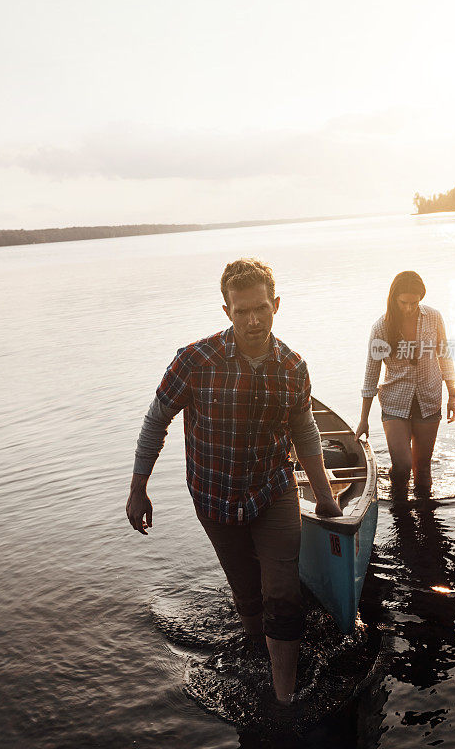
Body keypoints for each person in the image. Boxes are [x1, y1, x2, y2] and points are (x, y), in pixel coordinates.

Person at [126, 258, 342, 707]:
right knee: (247, 596)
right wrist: (138, 487)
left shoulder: (293, 367)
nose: (253, 319)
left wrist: (323, 497)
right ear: (226, 311)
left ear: (276, 304)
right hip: (214, 495)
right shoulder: (194, 360)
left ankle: (284, 698)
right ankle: (256, 651)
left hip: (274, 487)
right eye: (241, 311)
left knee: (281, 593)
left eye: (261, 308)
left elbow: (304, 431)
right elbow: (156, 422)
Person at [355, 270, 455, 497]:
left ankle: (426, 517)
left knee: (422, 469)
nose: (409, 308)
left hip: (429, 399)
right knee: (402, 466)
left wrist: (452, 395)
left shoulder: (434, 317)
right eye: (404, 302)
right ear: (394, 298)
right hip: (395, 402)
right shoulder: (381, 327)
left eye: (414, 302)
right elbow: (371, 374)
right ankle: (399, 510)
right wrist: (363, 419)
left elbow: (444, 355)